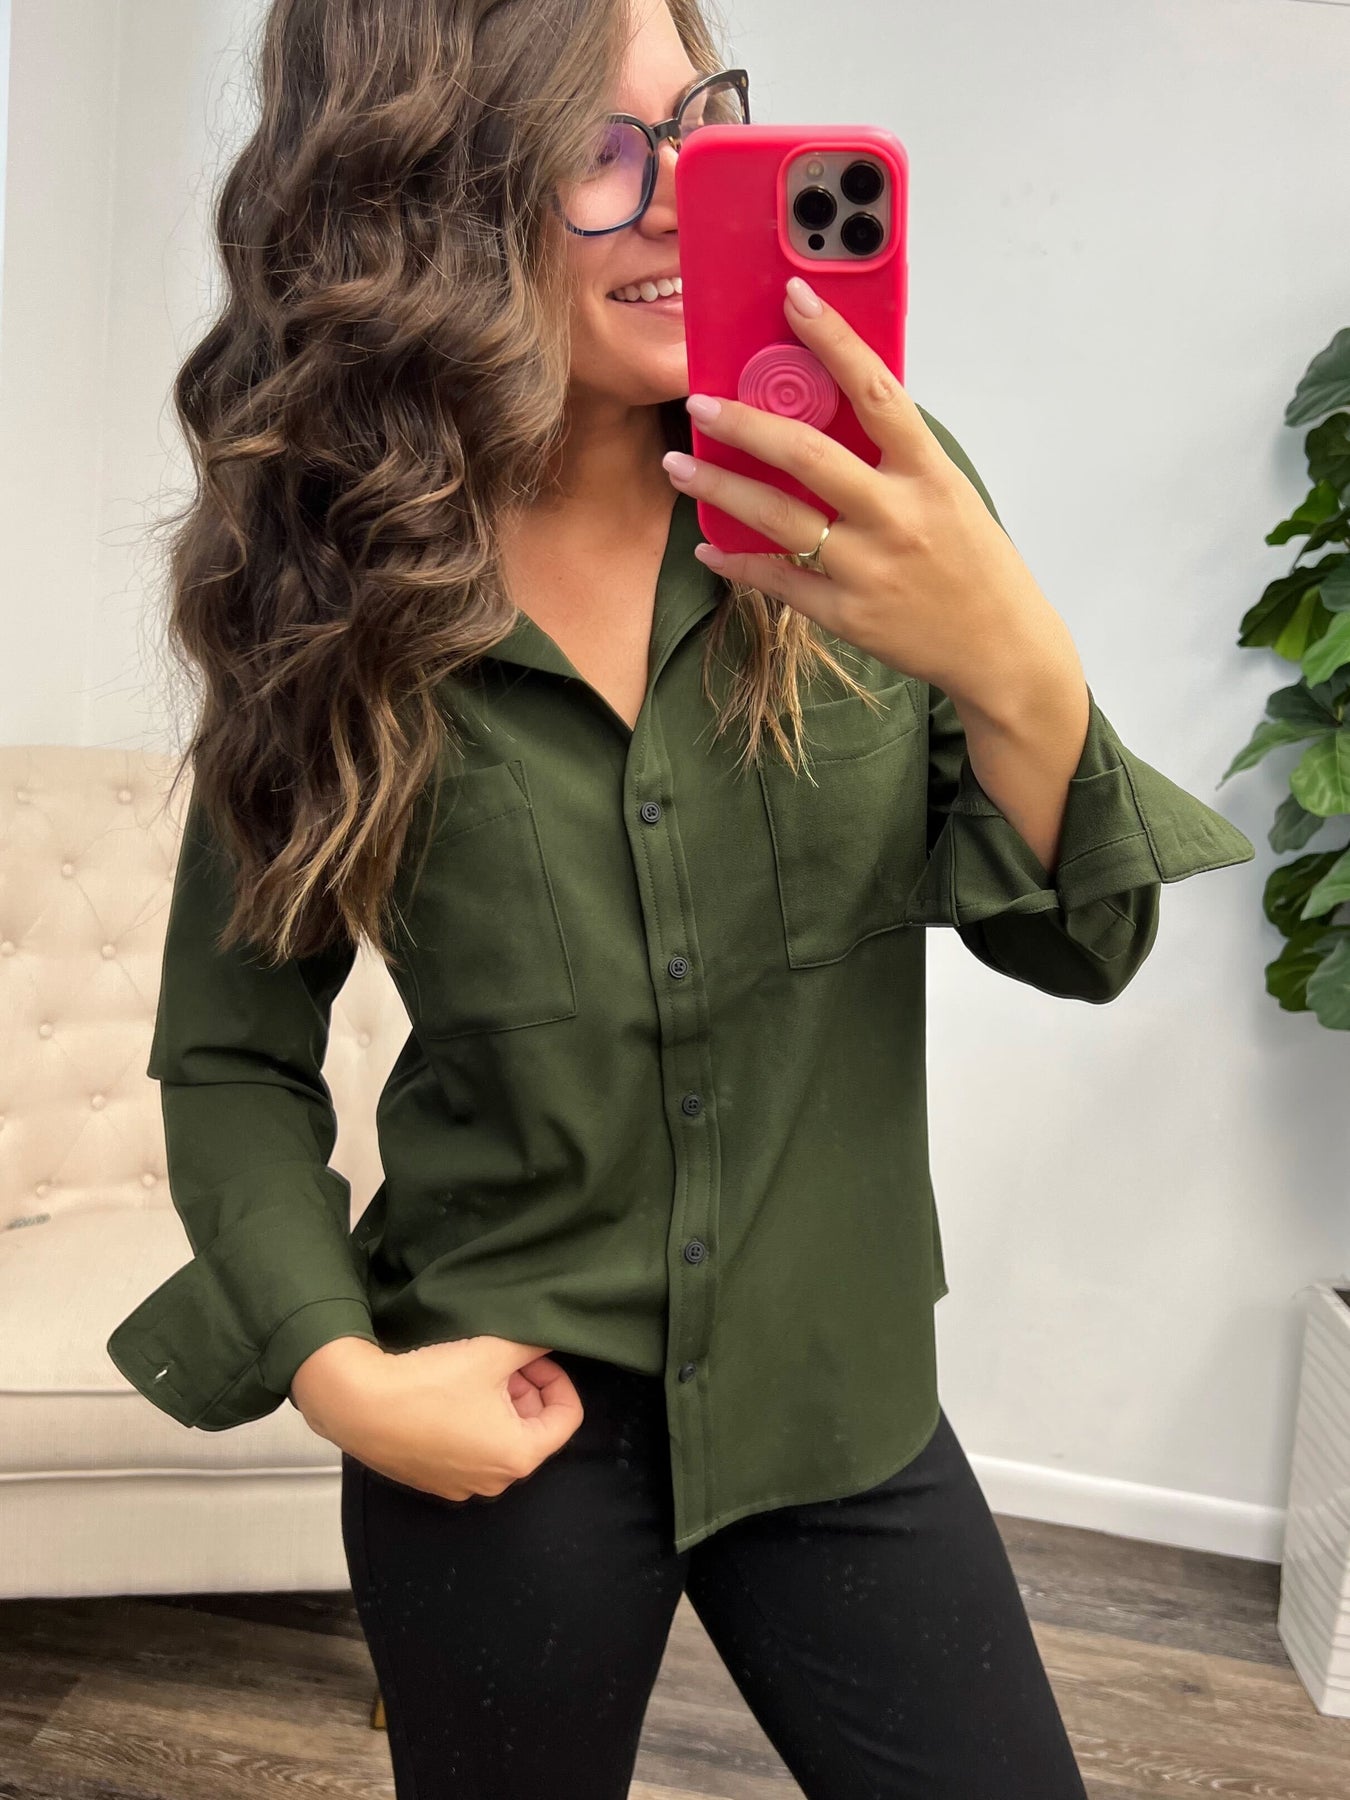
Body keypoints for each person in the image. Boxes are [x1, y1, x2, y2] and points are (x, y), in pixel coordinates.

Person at [105, 0, 1255, 1794]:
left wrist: (1017, 666)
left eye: (701, 119)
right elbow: (232, 1054)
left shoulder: (866, 493)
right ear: (417, 196)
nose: (678, 189)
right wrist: (341, 1374)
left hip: (835, 1394)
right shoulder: (328, 589)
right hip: (502, 1402)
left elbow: (1078, 942)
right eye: (593, 145)